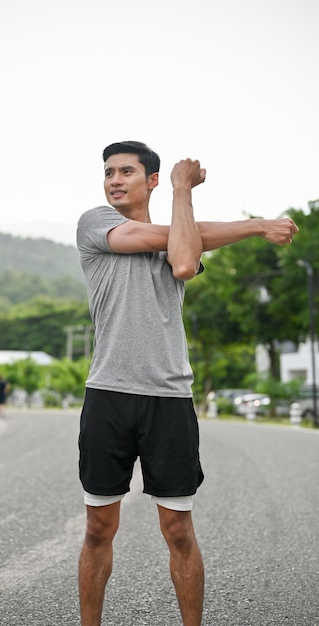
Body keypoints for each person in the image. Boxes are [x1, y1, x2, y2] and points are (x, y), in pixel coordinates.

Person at [76, 140, 299, 626]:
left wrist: (184, 198)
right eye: (109, 172)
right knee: (98, 528)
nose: (114, 179)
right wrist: (252, 222)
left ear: (149, 180)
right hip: (109, 393)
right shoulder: (95, 222)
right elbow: (177, 245)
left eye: (127, 172)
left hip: (169, 398)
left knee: (178, 530)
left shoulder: (181, 231)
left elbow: (182, 257)